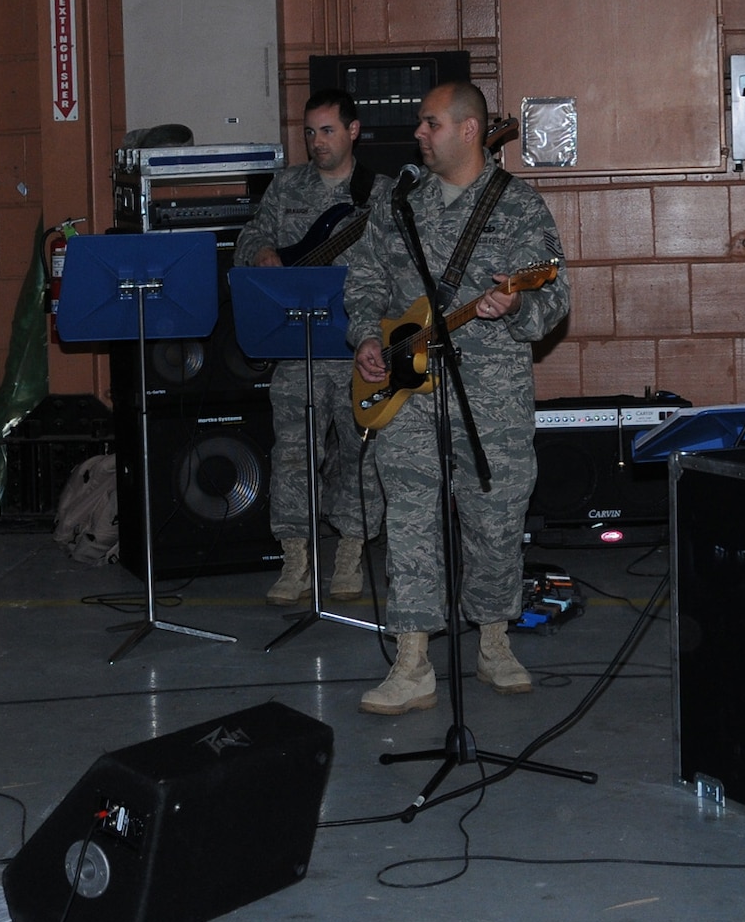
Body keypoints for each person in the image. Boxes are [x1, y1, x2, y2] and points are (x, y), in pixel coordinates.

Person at [345, 82, 568, 714]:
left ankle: (494, 640)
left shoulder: (519, 207)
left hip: (489, 393)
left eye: (430, 123)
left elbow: (556, 298)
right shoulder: (397, 202)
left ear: (468, 130)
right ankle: (412, 661)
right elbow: (364, 278)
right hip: (408, 388)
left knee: (495, 520)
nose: (419, 133)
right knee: (410, 518)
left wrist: (519, 302)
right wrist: (366, 335)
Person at [234, 90, 390, 605]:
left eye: (327, 130)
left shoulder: (383, 194)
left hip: (357, 349)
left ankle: (350, 551)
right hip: (296, 346)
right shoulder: (287, 186)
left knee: (360, 456)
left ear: (354, 130)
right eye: (309, 131)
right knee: (293, 456)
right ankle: (297, 558)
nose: (316, 141)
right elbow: (250, 235)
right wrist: (260, 250)